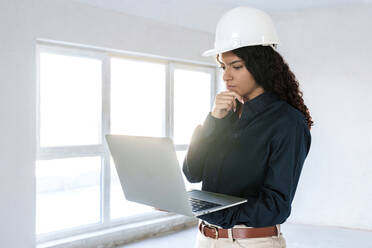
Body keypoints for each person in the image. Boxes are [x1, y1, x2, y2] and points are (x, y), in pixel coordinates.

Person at [182, 6, 313, 248]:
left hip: (251, 243)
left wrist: (217, 213)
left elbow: (276, 206)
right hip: (205, 239)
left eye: (236, 66)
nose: (226, 76)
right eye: (223, 66)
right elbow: (192, 172)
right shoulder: (225, 113)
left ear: (261, 66)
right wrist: (213, 120)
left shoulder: (287, 122)